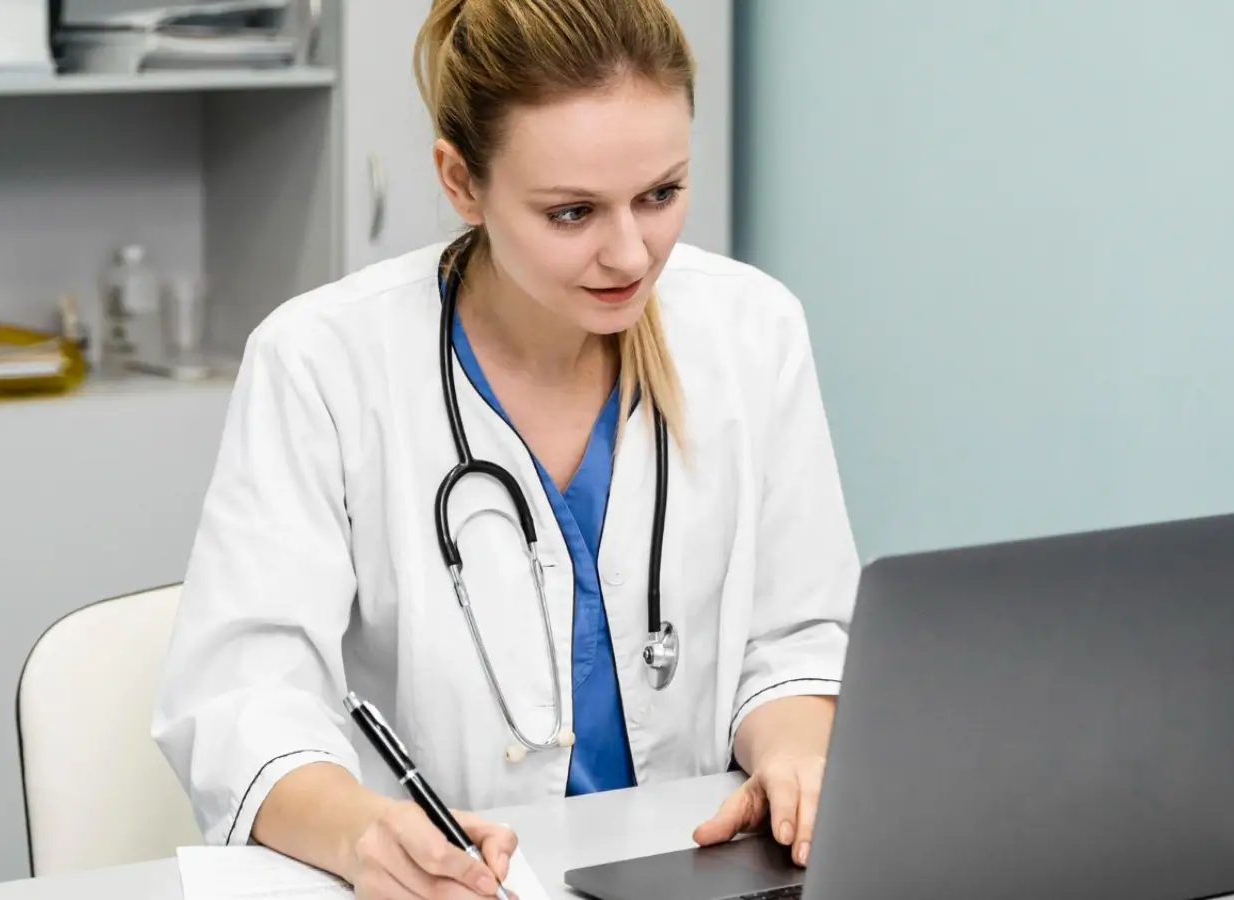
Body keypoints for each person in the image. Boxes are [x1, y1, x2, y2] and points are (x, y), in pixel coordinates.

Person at [150, 0, 859, 897]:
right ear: (461, 181)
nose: (632, 254)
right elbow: (242, 699)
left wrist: (795, 751)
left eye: (661, 194)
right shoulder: (323, 362)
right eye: (572, 213)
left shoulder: (752, 329)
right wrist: (369, 833)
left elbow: (798, 633)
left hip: (699, 874)